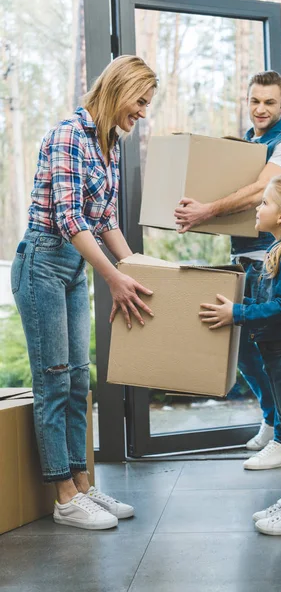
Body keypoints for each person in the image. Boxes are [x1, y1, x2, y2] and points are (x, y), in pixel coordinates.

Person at [11, 55, 157, 530]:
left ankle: (84, 484)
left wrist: (135, 266)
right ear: (119, 89)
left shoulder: (108, 142)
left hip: (75, 264)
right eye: (139, 101)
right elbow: (70, 219)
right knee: (53, 379)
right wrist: (113, 277)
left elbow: (105, 221)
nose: (142, 112)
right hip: (44, 264)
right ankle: (63, 496)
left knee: (79, 378)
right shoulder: (69, 135)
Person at [174, 71, 281, 471]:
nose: (261, 109)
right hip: (247, 259)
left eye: (270, 102)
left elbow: (258, 192)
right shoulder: (248, 145)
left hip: (275, 259)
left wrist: (205, 210)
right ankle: (272, 422)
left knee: (274, 350)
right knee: (245, 351)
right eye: (255, 101)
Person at [199, 174, 281, 535]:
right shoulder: (280, 252)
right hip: (280, 356)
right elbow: (272, 305)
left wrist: (238, 314)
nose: (258, 207)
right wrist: (238, 306)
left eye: (265, 203)